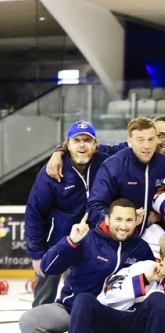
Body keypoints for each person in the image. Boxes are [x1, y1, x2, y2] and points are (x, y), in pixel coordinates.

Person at [18, 199, 154, 333]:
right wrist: (71, 241)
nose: (123, 226)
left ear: (136, 221)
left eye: (129, 220)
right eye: (118, 219)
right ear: (107, 219)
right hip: (72, 311)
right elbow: (47, 268)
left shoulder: (141, 248)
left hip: (113, 317)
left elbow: (150, 287)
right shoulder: (87, 239)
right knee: (29, 321)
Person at [25, 120, 109, 307]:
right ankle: (39, 327)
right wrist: (37, 255)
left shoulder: (105, 162)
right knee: (43, 299)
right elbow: (34, 213)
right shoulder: (52, 171)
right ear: (67, 145)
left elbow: (131, 147)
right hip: (55, 245)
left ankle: (82, 331)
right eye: (76, 140)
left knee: (84, 296)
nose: (81, 144)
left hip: (91, 246)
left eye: (87, 140)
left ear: (95, 145)